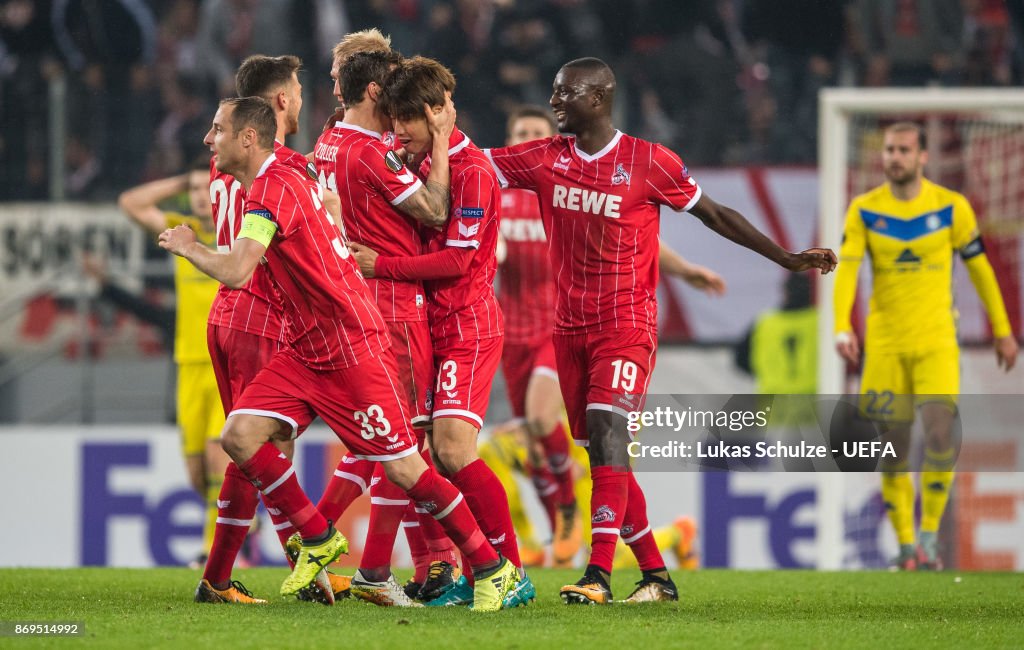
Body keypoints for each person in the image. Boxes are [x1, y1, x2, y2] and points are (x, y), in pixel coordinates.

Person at [484, 57, 836, 604]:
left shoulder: (649, 162)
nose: (554, 102)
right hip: (569, 329)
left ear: (598, 98)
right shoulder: (543, 158)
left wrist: (786, 258)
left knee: (608, 431)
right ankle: (656, 575)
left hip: (626, 324)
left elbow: (716, 215)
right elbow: (468, 163)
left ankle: (597, 574)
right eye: (552, 92)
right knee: (602, 455)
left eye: (564, 93)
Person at [159, 96, 521, 612]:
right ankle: (317, 535)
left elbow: (239, 271)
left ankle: (493, 568)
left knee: (405, 469)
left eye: (216, 129)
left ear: (247, 139)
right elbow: (324, 196)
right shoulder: (288, 168)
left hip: (353, 346)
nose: (207, 139)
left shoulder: (270, 191)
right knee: (239, 435)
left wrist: (190, 246)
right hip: (307, 348)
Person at [494, 105, 727, 568]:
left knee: (548, 427)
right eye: (520, 132)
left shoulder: (560, 181)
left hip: (562, 330)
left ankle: (567, 524)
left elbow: (638, 235)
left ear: (550, 140)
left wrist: (684, 272)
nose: (527, 139)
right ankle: (663, 543)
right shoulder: (500, 194)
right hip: (514, 342)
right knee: (566, 458)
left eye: (536, 133)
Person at [349, 56, 529, 608]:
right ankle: (443, 574)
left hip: (466, 326)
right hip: (426, 326)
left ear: (436, 113)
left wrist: (382, 266)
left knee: (452, 450)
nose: (396, 129)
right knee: (418, 456)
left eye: (406, 118)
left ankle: (510, 573)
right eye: (392, 117)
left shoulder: (471, 170)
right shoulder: (424, 163)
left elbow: (455, 262)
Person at [833, 121, 1018, 570]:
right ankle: (903, 545)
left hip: (936, 341)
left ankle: (930, 537)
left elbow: (980, 269)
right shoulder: (863, 210)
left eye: (903, 150)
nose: (893, 157)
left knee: (939, 435)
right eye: (889, 150)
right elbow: (847, 270)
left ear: (922, 157)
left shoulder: (953, 208)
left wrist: (1003, 328)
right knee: (892, 449)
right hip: (886, 346)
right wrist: (842, 325)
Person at [312, 49, 460, 606]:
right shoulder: (371, 152)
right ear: (375, 93)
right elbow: (435, 211)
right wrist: (442, 141)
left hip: (350, 302)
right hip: (393, 306)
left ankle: (315, 544)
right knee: (404, 442)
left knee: (374, 441)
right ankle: (372, 568)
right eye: (392, 93)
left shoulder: (326, 143)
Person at [197, 54, 338, 605]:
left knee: (255, 450)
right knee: (260, 445)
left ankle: (229, 575)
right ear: (280, 102)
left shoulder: (227, 163)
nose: (302, 100)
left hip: (226, 315)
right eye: (298, 92)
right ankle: (302, 559)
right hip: (260, 317)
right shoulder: (281, 171)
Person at [118, 156, 225, 569]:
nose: (200, 197)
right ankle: (237, 515)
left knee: (219, 455)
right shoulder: (185, 232)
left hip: (226, 362)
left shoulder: (240, 231)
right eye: (193, 191)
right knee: (197, 475)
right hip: (187, 363)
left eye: (206, 188)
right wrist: (182, 178)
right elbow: (131, 202)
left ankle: (211, 551)